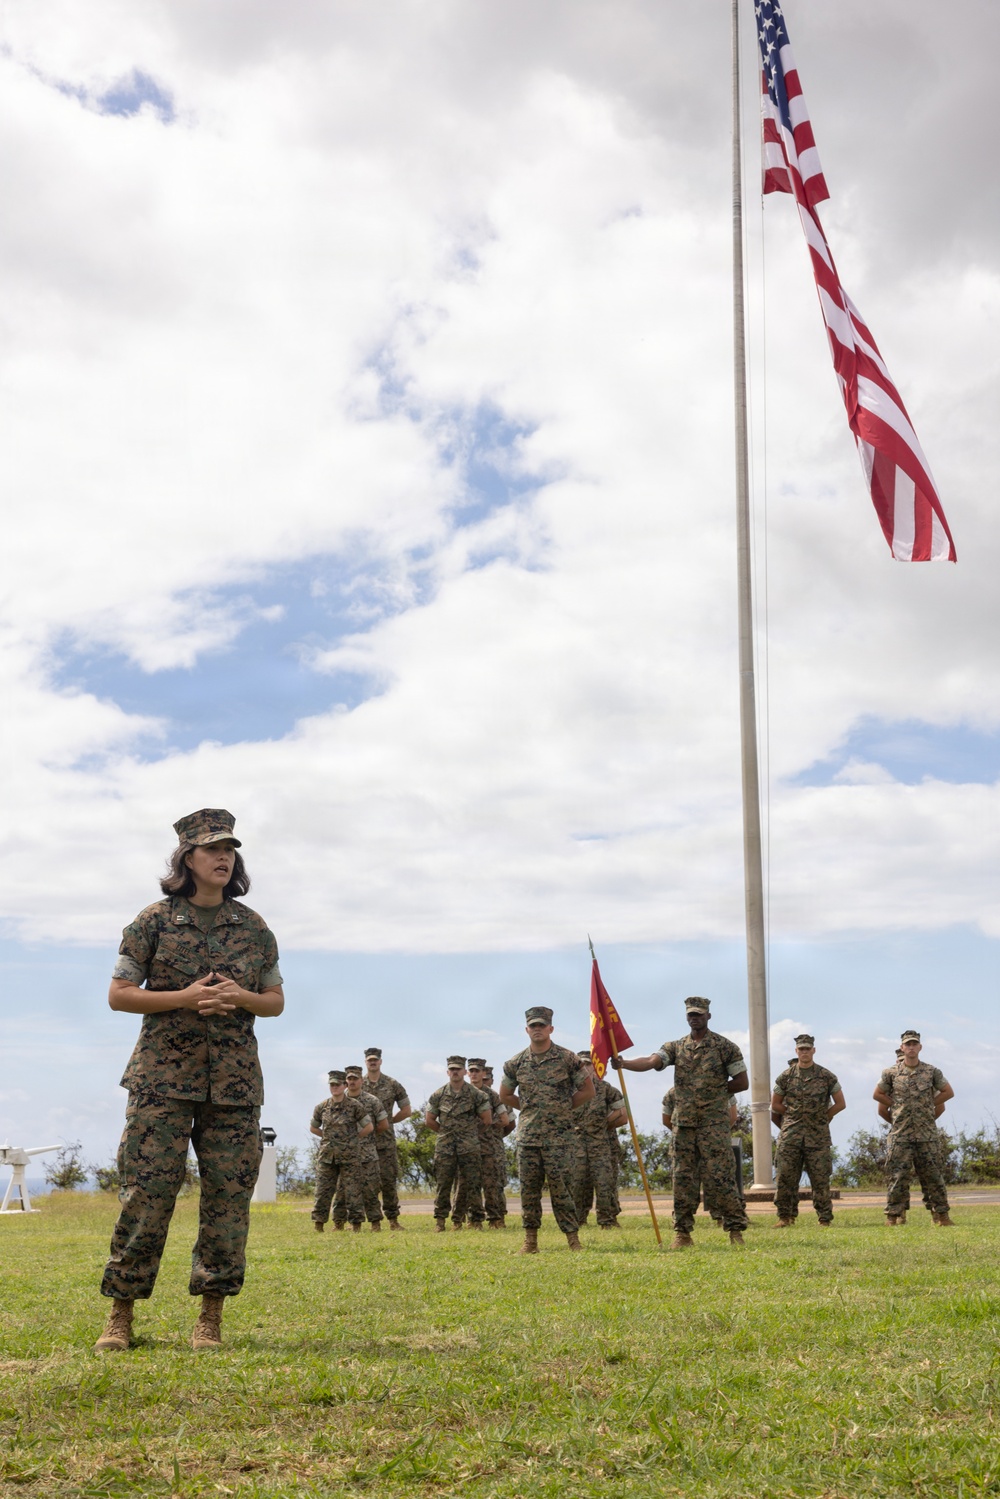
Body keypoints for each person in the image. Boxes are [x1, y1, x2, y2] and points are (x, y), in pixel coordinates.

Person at [95, 808, 284, 1353]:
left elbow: (274, 1001)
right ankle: (121, 1315)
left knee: (227, 1198)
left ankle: (210, 1316)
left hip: (234, 1085)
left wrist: (240, 998)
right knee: (147, 1195)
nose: (223, 857)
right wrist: (185, 997)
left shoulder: (254, 928)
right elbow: (119, 995)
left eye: (229, 850)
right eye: (211, 850)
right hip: (161, 1079)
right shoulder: (153, 920)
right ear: (187, 859)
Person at [614, 997, 748, 1248]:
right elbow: (653, 1062)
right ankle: (683, 1233)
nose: (694, 1018)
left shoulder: (725, 1047)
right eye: (690, 1015)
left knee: (722, 1177)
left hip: (713, 1124)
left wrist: (713, 1091)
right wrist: (624, 1064)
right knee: (683, 1178)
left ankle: (735, 1230)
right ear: (686, 1018)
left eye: (699, 1014)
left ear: (708, 1016)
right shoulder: (676, 1046)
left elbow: (742, 1082)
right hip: (683, 1125)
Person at [500, 1007, 594, 1254]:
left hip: (560, 1138)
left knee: (563, 1190)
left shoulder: (567, 1058)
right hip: (529, 1138)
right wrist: (529, 1109)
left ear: (551, 1028)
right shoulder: (515, 1063)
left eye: (542, 1025)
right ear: (527, 1030)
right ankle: (530, 1242)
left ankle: (573, 1240)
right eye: (533, 1025)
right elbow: (505, 1094)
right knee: (529, 1192)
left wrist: (561, 1109)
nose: (537, 1029)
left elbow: (587, 1091)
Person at [873, 1031, 955, 1227]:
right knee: (897, 1177)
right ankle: (893, 1216)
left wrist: (928, 1106)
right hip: (901, 1135)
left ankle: (941, 1216)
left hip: (926, 1136)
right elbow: (878, 1095)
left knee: (933, 1177)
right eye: (907, 1045)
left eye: (914, 1044)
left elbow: (948, 1092)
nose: (911, 1047)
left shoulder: (931, 1071)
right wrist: (896, 1108)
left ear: (920, 1047)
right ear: (902, 1048)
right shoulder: (890, 1073)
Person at [771, 1035, 845, 1228]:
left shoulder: (826, 1076)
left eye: (807, 1049)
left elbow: (840, 1103)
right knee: (785, 1177)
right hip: (791, 1136)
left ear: (814, 1050)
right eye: (801, 1049)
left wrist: (824, 1117)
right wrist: (792, 1115)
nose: (804, 1052)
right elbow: (775, 1104)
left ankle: (824, 1218)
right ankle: (785, 1217)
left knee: (820, 1179)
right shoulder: (785, 1076)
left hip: (818, 1137)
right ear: (796, 1051)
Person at [425, 1058, 492, 1230]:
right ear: (448, 1072)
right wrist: (445, 1132)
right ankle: (440, 1221)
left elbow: (486, 1119)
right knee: (443, 1184)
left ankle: (476, 1221)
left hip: (469, 1147)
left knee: (473, 1184)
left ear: (465, 1072)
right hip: (445, 1147)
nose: (455, 1072)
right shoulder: (438, 1095)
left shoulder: (477, 1095)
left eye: (458, 1069)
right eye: (452, 1069)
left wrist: (470, 1135)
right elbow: (430, 1120)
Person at [662, 1086, 740, 1226]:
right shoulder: (720, 1087)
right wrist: (716, 1134)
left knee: (689, 1180)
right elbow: (732, 1116)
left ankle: (688, 1220)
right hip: (711, 1143)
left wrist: (684, 1134)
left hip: (692, 1145)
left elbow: (667, 1120)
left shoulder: (674, 1091)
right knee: (714, 1178)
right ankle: (718, 1218)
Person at [310, 1072, 373, 1232]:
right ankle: (319, 1225)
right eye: (332, 1085)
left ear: (344, 1086)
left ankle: (356, 1225)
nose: (335, 1087)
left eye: (338, 1084)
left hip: (349, 1157)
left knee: (353, 1192)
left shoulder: (354, 1106)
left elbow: (369, 1127)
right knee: (322, 1191)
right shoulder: (322, 1107)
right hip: (327, 1157)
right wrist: (327, 1138)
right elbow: (314, 1127)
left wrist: (353, 1139)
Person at [451, 1060, 510, 1228]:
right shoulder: (460, 1093)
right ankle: (471, 1220)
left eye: (478, 1071)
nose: (475, 1074)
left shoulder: (492, 1095)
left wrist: (487, 1126)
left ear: (483, 1074)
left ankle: (495, 1219)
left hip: (487, 1147)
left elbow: (505, 1120)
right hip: (466, 1147)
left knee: (491, 1185)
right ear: (467, 1073)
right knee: (467, 1185)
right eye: (472, 1071)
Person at [572, 1052, 627, 1229]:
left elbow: (622, 1116)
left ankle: (607, 1220)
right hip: (577, 1147)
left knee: (604, 1183)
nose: (585, 1069)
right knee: (578, 1183)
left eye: (588, 1065)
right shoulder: (569, 1089)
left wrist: (602, 1126)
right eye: (582, 1065)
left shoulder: (605, 1089)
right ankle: (578, 1219)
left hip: (600, 1145)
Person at [332, 1067, 390, 1232]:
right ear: (345, 1082)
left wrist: (364, 1137)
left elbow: (383, 1124)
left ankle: (375, 1223)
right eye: (348, 1079)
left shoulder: (372, 1101)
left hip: (367, 1154)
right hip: (345, 1154)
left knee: (370, 1189)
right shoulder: (338, 1101)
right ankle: (339, 1223)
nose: (351, 1082)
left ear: (361, 1080)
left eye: (355, 1079)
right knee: (342, 1190)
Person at [363, 1048, 412, 1230]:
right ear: (365, 1062)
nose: (373, 1062)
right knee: (365, 1182)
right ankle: (367, 1221)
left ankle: (393, 1220)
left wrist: (388, 1122)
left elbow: (407, 1110)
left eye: (375, 1060)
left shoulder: (392, 1084)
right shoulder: (358, 1084)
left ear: (381, 1062)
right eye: (369, 1060)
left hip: (385, 1141)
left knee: (388, 1181)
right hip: (364, 1142)